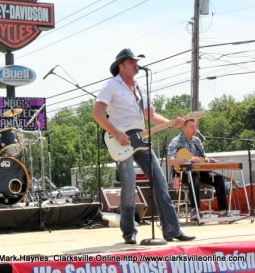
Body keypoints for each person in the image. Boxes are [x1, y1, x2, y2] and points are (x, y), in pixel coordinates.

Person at [92, 48, 195, 244]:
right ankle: (129, 233)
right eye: (132, 62)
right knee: (129, 186)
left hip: (140, 139)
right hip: (120, 141)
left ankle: (172, 230)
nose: (136, 65)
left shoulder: (141, 87)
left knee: (161, 182)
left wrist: (172, 122)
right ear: (121, 66)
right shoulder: (111, 85)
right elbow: (97, 113)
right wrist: (116, 133)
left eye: (136, 62)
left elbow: (150, 115)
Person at [167, 119, 229, 220]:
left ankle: (223, 211)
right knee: (194, 176)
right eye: (192, 127)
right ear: (183, 127)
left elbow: (203, 157)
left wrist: (208, 159)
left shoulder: (197, 140)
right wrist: (188, 160)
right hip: (182, 174)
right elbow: (170, 161)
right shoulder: (176, 141)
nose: (195, 129)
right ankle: (195, 210)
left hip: (199, 171)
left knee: (218, 179)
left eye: (195, 127)